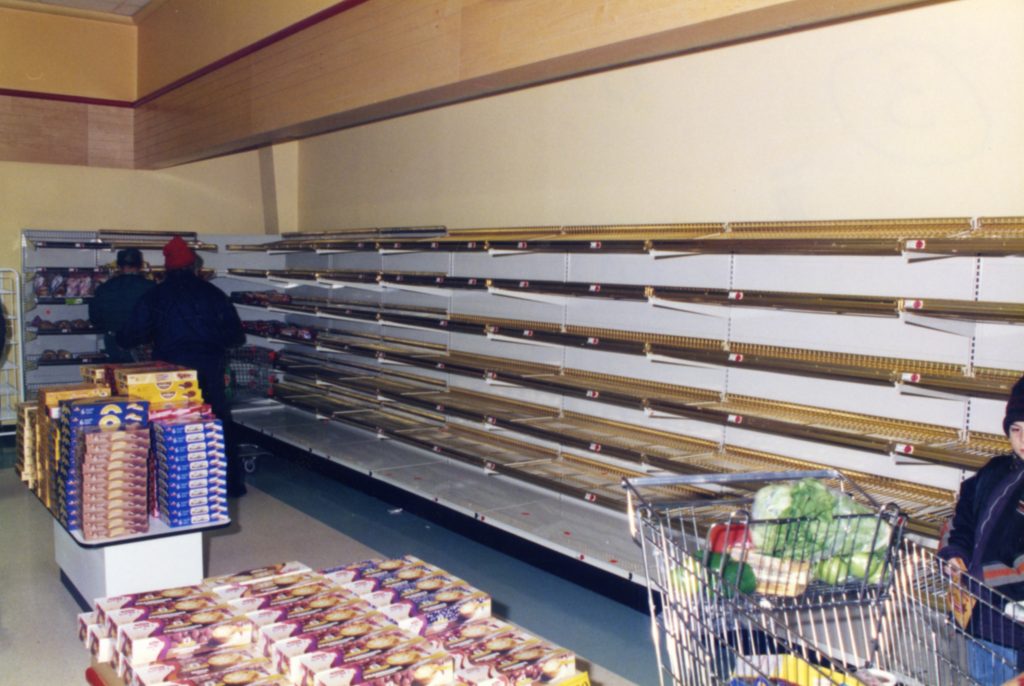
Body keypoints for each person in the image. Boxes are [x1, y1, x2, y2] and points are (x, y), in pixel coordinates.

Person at [118, 236, 247, 497]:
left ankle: (174, 489)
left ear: (167, 269)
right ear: (194, 267)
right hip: (209, 368)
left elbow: (131, 335)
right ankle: (231, 484)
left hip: (170, 374)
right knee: (217, 423)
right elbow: (236, 337)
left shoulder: (154, 296)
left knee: (170, 427)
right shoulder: (214, 294)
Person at [940, 375, 1024, 684]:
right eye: (1016, 430)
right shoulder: (995, 471)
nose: (1023, 441)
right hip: (980, 619)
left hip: (1013, 629)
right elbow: (961, 520)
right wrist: (955, 556)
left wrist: (987, 576)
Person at [88, 248, 154, 363]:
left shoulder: (105, 288)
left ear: (119, 266)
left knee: (117, 376)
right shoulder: (151, 287)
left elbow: (94, 318)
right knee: (142, 378)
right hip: (142, 342)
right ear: (140, 265)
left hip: (113, 340)